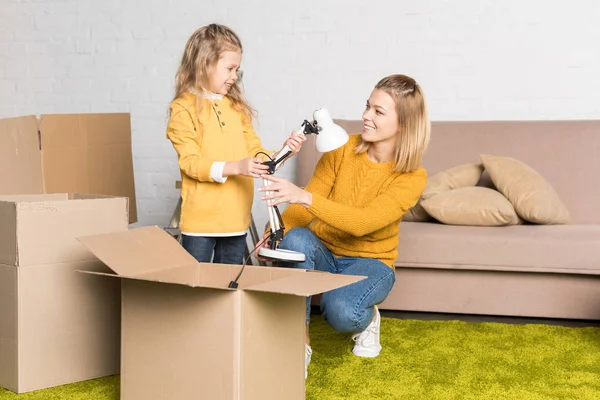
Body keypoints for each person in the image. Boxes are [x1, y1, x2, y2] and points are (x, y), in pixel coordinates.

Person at [255, 74, 430, 378]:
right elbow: (302, 208)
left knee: (342, 314)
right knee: (295, 239)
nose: (365, 116)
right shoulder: (341, 148)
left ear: (403, 123)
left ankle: (370, 318)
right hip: (325, 251)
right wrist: (272, 237)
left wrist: (304, 196)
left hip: (371, 263)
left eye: (378, 111)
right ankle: (300, 343)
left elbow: (363, 223)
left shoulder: (412, 176)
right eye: (367, 106)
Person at [166, 23, 304, 265]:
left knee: (229, 287)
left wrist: (286, 151)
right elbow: (191, 163)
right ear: (205, 63)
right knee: (195, 289)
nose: (234, 76)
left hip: (236, 219)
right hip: (200, 222)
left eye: (237, 70)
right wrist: (237, 167)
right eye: (229, 68)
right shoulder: (183, 108)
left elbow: (255, 153)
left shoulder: (236, 108)